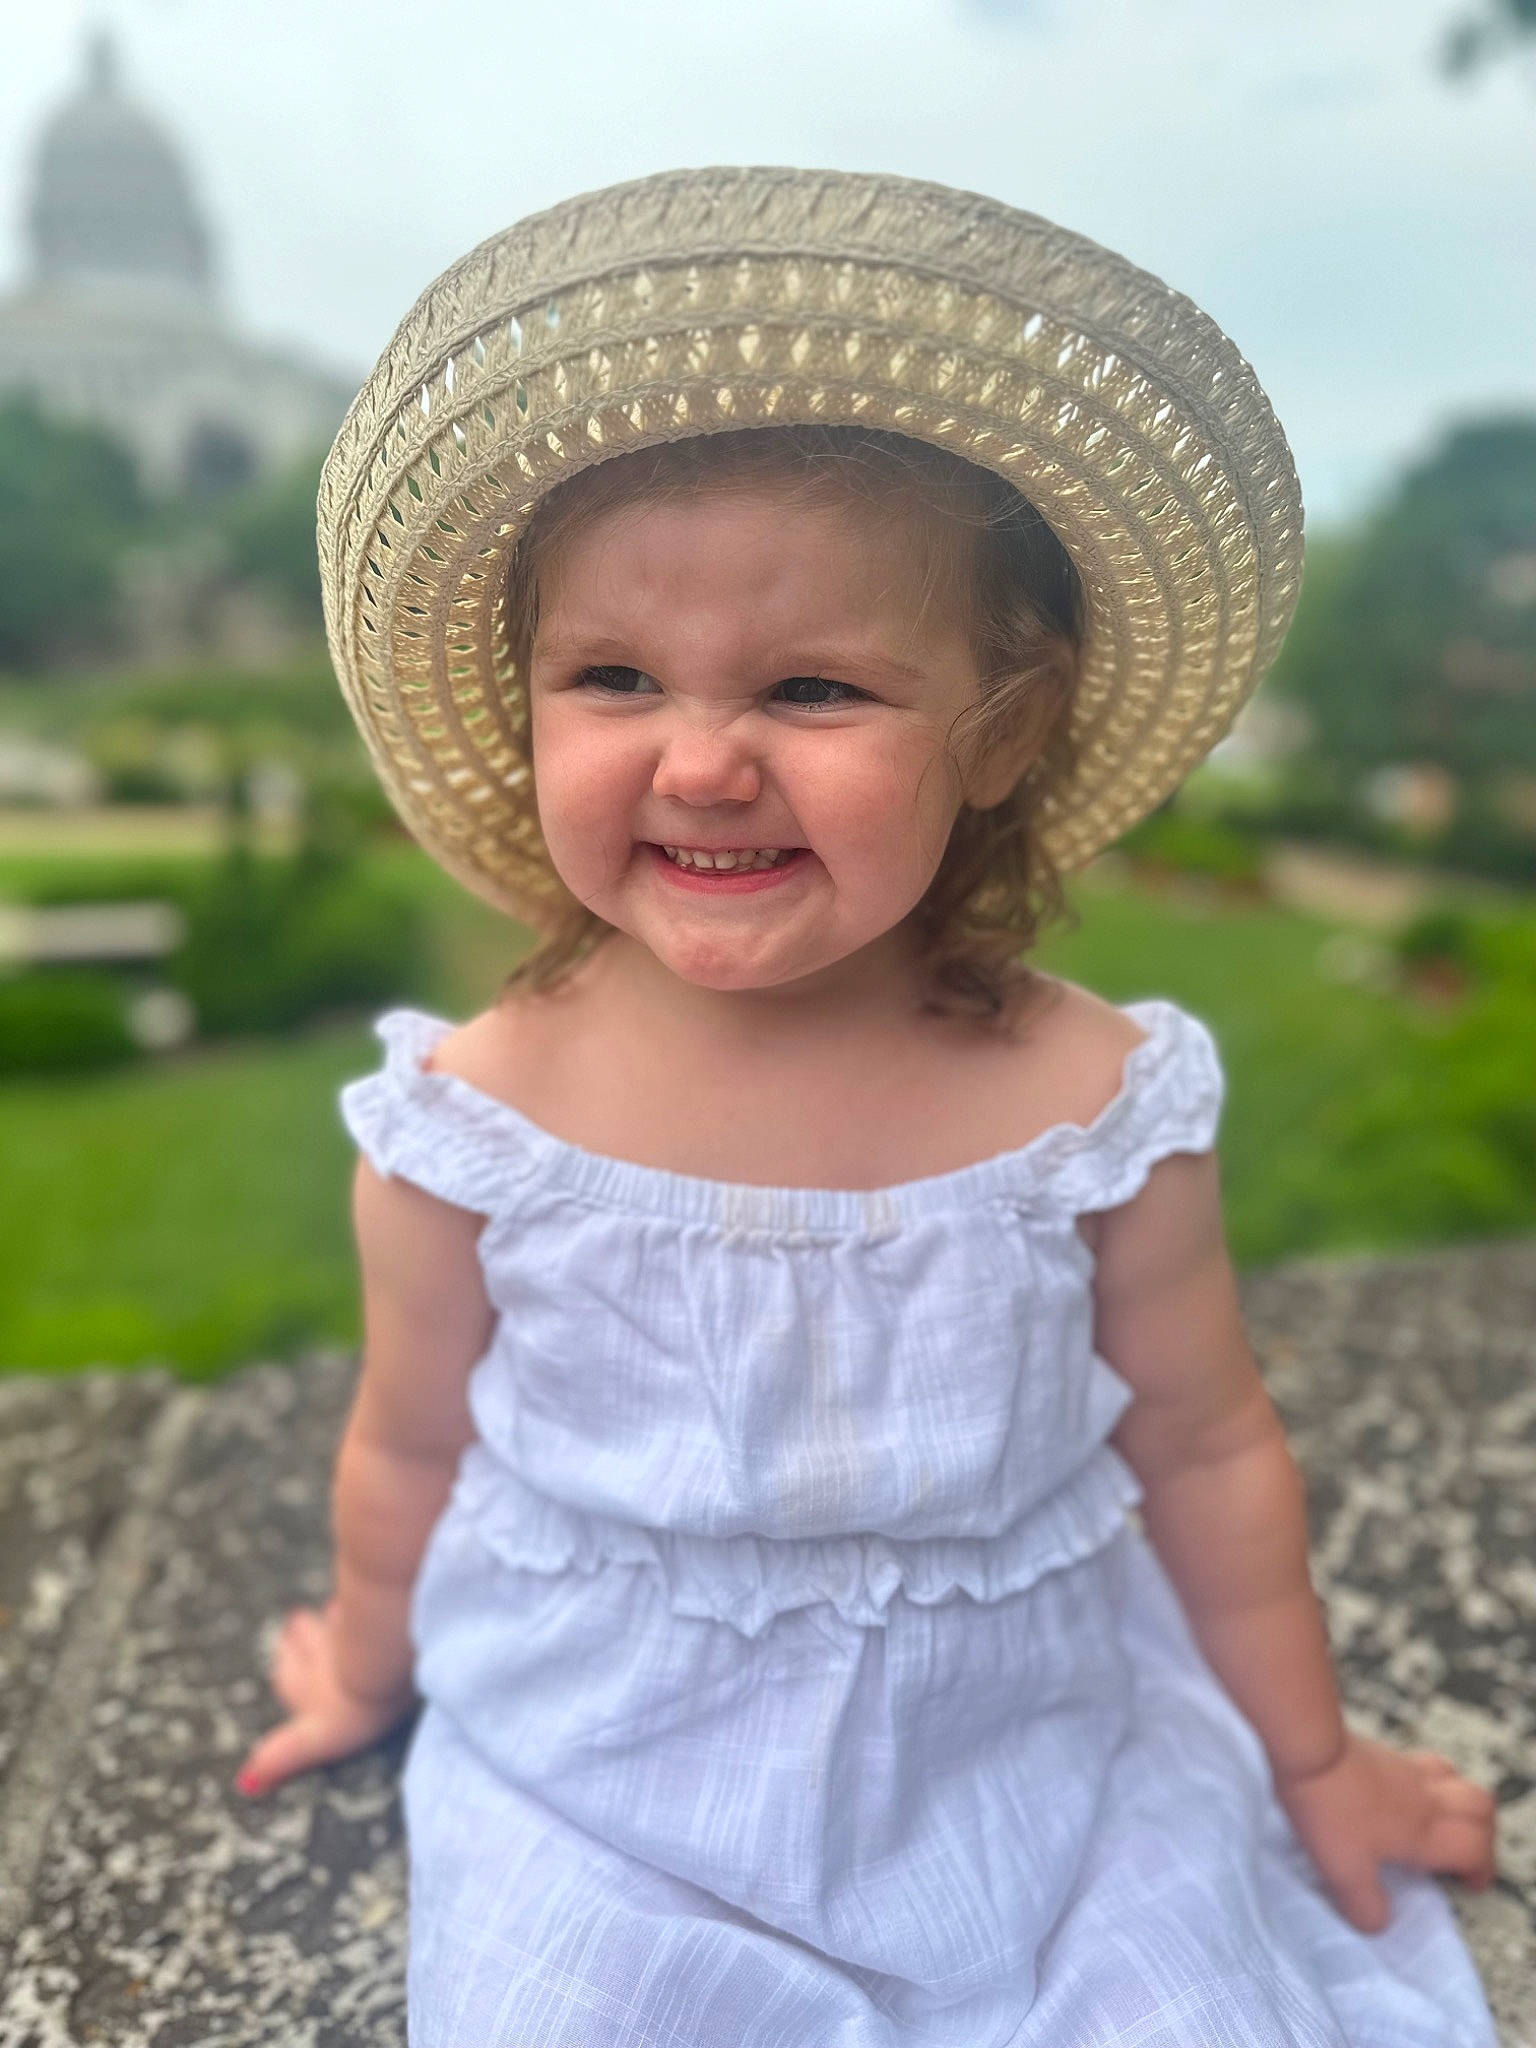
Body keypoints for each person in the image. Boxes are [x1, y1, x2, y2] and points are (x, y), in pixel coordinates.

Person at [236, 168, 1499, 2045]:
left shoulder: (1089, 1108)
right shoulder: (480, 1121)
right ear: (529, 711)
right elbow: (412, 1444)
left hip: (1017, 1738)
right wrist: (365, 1661)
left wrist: (1311, 1762)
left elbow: (1211, 1450)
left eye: (815, 686)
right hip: (602, 1762)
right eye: (613, 678)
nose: (703, 758)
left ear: (997, 734)